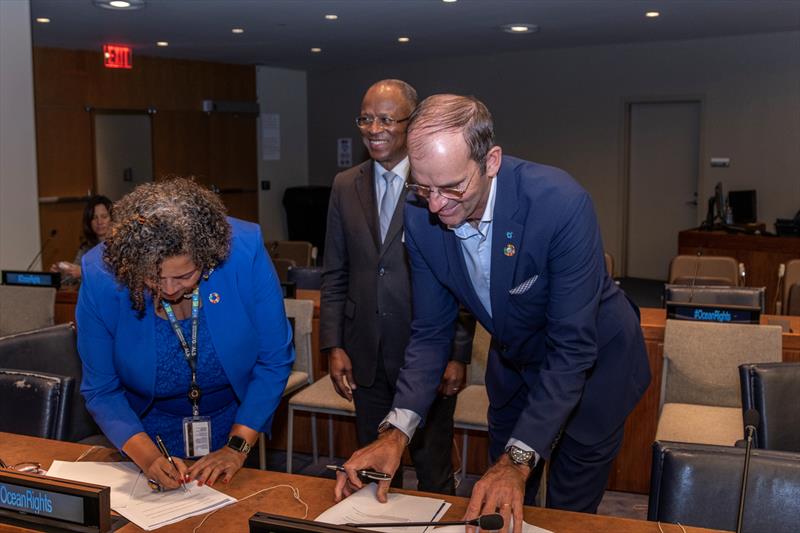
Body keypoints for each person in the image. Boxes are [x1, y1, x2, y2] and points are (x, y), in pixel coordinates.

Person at [334, 94, 650, 531]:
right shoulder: (420, 212)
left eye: (452, 187)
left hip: (595, 364)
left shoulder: (560, 205)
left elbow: (572, 347)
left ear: (492, 161)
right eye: (424, 187)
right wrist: (395, 432)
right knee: (498, 499)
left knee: (566, 508)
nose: (436, 206)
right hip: (516, 363)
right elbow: (430, 333)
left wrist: (519, 461)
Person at [76, 178, 294, 490]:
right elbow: (101, 390)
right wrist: (149, 458)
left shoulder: (242, 252)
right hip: (143, 430)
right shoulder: (101, 275)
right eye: (153, 276)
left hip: (233, 421)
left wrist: (237, 448)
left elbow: (274, 359)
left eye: (184, 276)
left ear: (207, 257)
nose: (168, 289)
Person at [321, 80, 472, 495]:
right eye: (366, 119)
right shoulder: (343, 185)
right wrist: (334, 344)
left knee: (433, 470)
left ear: (412, 123)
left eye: (386, 119)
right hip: (364, 354)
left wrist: (457, 354)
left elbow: (461, 278)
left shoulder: (435, 186)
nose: (374, 128)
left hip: (426, 355)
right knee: (371, 468)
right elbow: (335, 271)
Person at [50, 195, 112, 284]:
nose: (99, 222)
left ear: (113, 219)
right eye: (94, 218)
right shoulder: (86, 248)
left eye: (104, 216)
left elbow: (117, 278)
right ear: (89, 222)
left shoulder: (121, 247)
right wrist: (62, 274)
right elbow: (73, 277)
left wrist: (84, 273)